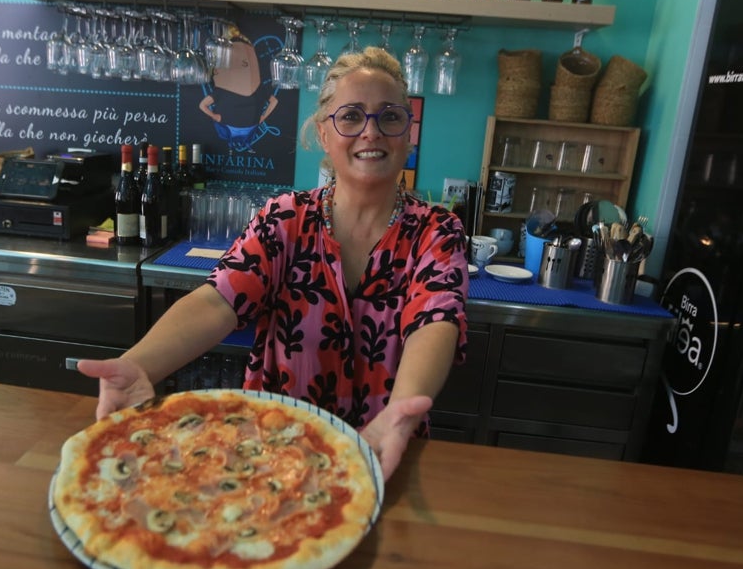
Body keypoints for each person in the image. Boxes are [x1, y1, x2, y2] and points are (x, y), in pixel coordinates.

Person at [75, 46, 468, 479]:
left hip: (387, 454)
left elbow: (434, 323)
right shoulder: (285, 218)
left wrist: (400, 416)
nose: (370, 131)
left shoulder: (437, 230)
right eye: (351, 116)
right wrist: (139, 365)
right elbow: (218, 301)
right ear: (324, 133)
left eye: (390, 116)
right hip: (274, 453)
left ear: (408, 132)